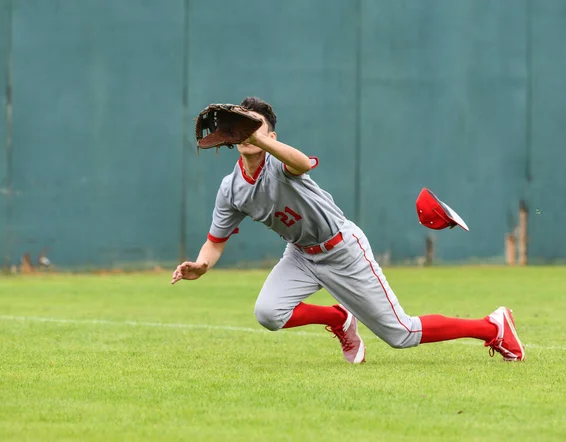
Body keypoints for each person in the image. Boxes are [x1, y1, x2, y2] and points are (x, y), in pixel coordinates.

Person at [171, 97, 525, 363]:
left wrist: (261, 141)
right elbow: (214, 242)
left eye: (255, 125)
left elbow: (300, 162)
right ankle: (339, 318)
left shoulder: (280, 163)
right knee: (268, 314)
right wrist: (201, 266)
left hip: (342, 249)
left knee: (402, 334)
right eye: (241, 125)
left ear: (272, 135)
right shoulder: (231, 188)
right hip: (301, 255)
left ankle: (492, 326)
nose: (246, 131)